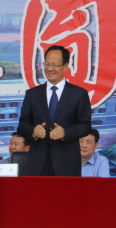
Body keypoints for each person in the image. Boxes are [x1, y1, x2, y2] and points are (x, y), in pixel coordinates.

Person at [17, 45, 91, 176]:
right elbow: (22, 125)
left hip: (67, 163)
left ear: (65, 66)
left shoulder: (79, 94)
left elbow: (85, 126)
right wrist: (33, 131)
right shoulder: (32, 94)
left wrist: (65, 132)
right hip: (37, 162)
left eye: (55, 65)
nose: (50, 69)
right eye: (47, 64)